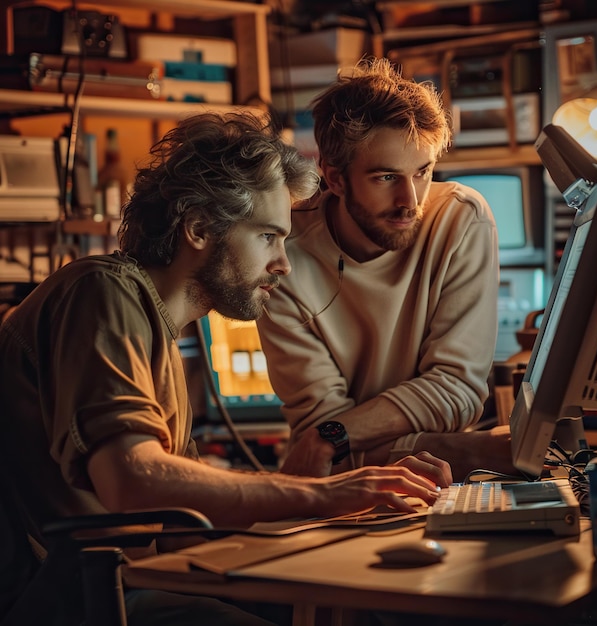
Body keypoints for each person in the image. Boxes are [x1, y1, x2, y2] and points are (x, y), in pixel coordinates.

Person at [0, 112, 453, 626]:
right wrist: (326, 494)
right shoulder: (99, 291)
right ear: (198, 228)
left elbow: (186, 525)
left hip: (116, 588)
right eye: (267, 237)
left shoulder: (153, 329)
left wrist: (353, 513)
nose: (282, 263)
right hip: (64, 604)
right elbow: (133, 479)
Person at [257, 57, 515, 482]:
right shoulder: (283, 254)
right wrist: (461, 449)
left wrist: (336, 437)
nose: (410, 200)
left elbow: (457, 390)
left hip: (434, 478)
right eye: (385, 177)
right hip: (350, 489)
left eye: (423, 172)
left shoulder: (461, 219)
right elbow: (320, 432)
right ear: (335, 179)